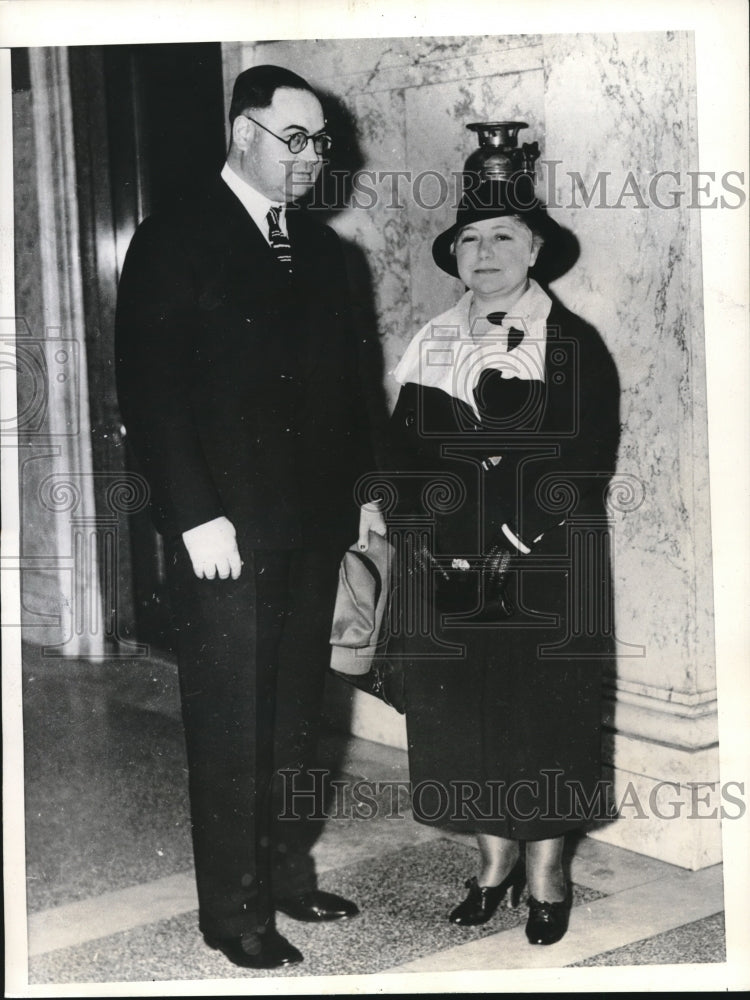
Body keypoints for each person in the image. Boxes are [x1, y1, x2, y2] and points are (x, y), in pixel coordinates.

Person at [115, 64, 385, 969]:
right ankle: (232, 911)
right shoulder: (174, 239)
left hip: (313, 529)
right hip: (224, 532)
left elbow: (355, 394)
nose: (314, 158)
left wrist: (367, 496)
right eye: (296, 139)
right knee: (234, 724)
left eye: (323, 144)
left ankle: (287, 877)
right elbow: (151, 395)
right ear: (244, 134)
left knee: (299, 718)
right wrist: (195, 517)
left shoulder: (327, 255)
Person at [384, 176, 619, 945]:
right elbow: (402, 452)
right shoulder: (430, 340)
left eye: (503, 238)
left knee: (544, 717)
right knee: (463, 715)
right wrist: (421, 526)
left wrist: (515, 537)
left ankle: (547, 874)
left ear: (536, 250)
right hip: (447, 563)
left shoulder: (572, 343)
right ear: (455, 254)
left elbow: (585, 459)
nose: (484, 254)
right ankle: (493, 865)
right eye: (470, 240)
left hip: (544, 564)